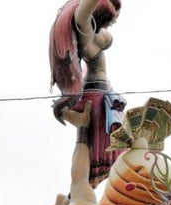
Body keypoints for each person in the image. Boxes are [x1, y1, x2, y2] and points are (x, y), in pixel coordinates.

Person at [49, 0, 125, 186]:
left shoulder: (92, 33)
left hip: (98, 93)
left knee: (86, 146)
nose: (112, 24)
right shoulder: (86, 31)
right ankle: (77, 194)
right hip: (96, 96)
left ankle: (73, 196)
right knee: (94, 155)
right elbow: (85, 11)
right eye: (111, 19)